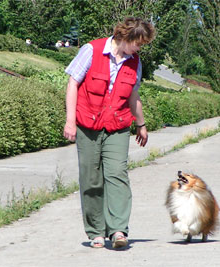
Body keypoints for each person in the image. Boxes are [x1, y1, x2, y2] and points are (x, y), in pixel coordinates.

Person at [63, 17, 155, 249]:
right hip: (88, 125)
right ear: (126, 37)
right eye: (138, 43)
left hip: (117, 126)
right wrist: (70, 122)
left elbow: (133, 97)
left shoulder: (135, 63)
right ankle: (96, 231)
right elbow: (72, 83)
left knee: (117, 175)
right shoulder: (91, 50)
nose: (139, 48)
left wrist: (141, 125)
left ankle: (118, 230)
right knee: (91, 178)